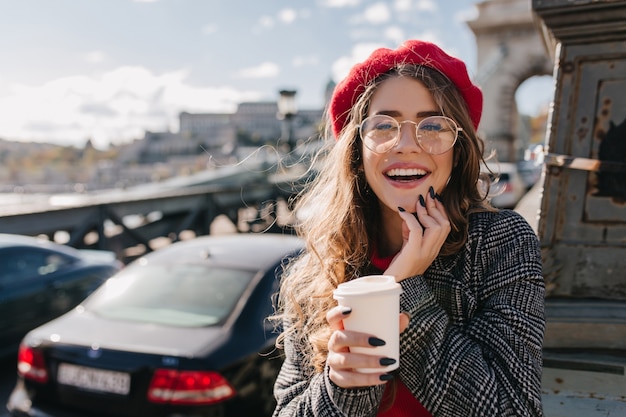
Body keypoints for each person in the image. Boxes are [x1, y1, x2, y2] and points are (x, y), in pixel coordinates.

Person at [270, 39, 545, 417]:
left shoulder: (501, 244)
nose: (407, 144)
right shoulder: (313, 273)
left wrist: (403, 287)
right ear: (357, 148)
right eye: (384, 125)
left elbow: (511, 409)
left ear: (458, 148)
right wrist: (342, 385)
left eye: (433, 126)